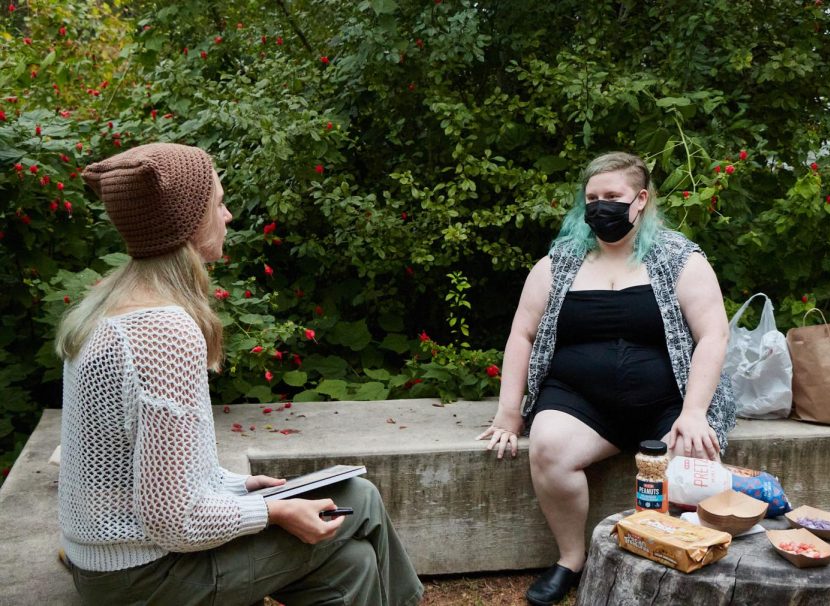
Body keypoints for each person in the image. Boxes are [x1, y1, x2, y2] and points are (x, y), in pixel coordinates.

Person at [56, 143, 424, 606]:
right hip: (142, 577)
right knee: (362, 499)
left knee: (353, 564)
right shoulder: (162, 330)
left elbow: (150, 475)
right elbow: (171, 521)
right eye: (218, 203)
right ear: (188, 223)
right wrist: (270, 512)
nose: (227, 215)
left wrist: (235, 486)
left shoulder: (110, 305)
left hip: (112, 563)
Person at [476, 151, 736, 606]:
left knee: (694, 467)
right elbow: (522, 335)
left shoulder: (680, 258)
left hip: (668, 404)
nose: (600, 206)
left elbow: (713, 334)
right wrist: (508, 414)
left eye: (611, 196)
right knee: (549, 446)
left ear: (639, 200)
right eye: (592, 197)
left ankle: (670, 560)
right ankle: (571, 559)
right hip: (579, 402)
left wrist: (695, 412)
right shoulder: (559, 263)